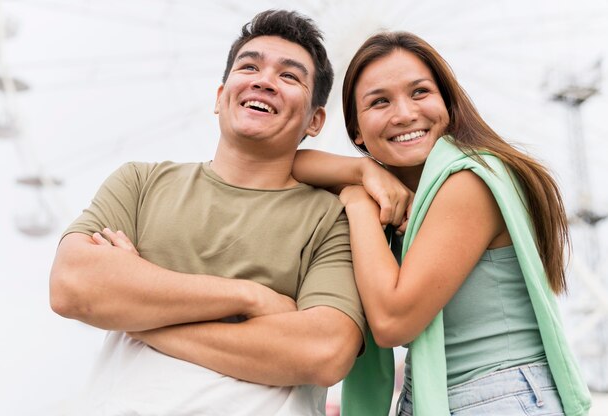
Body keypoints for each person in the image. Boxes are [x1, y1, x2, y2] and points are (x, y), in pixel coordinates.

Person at [49, 10, 365, 416]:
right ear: (220, 97)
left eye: (289, 77)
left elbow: (323, 351)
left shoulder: (332, 218)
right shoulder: (140, 184)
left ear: (316, 120)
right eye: (249, 66)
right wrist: (251, 297)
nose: (264, 80)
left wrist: (138, 314)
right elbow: (73, 285)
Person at [293, 31, 591, 415]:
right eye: (379, 101)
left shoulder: (471, 181)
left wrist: (356, 200)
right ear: (356, 130)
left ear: (447, 104)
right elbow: (287, 164)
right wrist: (363, 170)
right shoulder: (398, 194)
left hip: (497, 397)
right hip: (436, 400)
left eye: (419, 93)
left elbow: (392, 321)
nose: (404, 114)